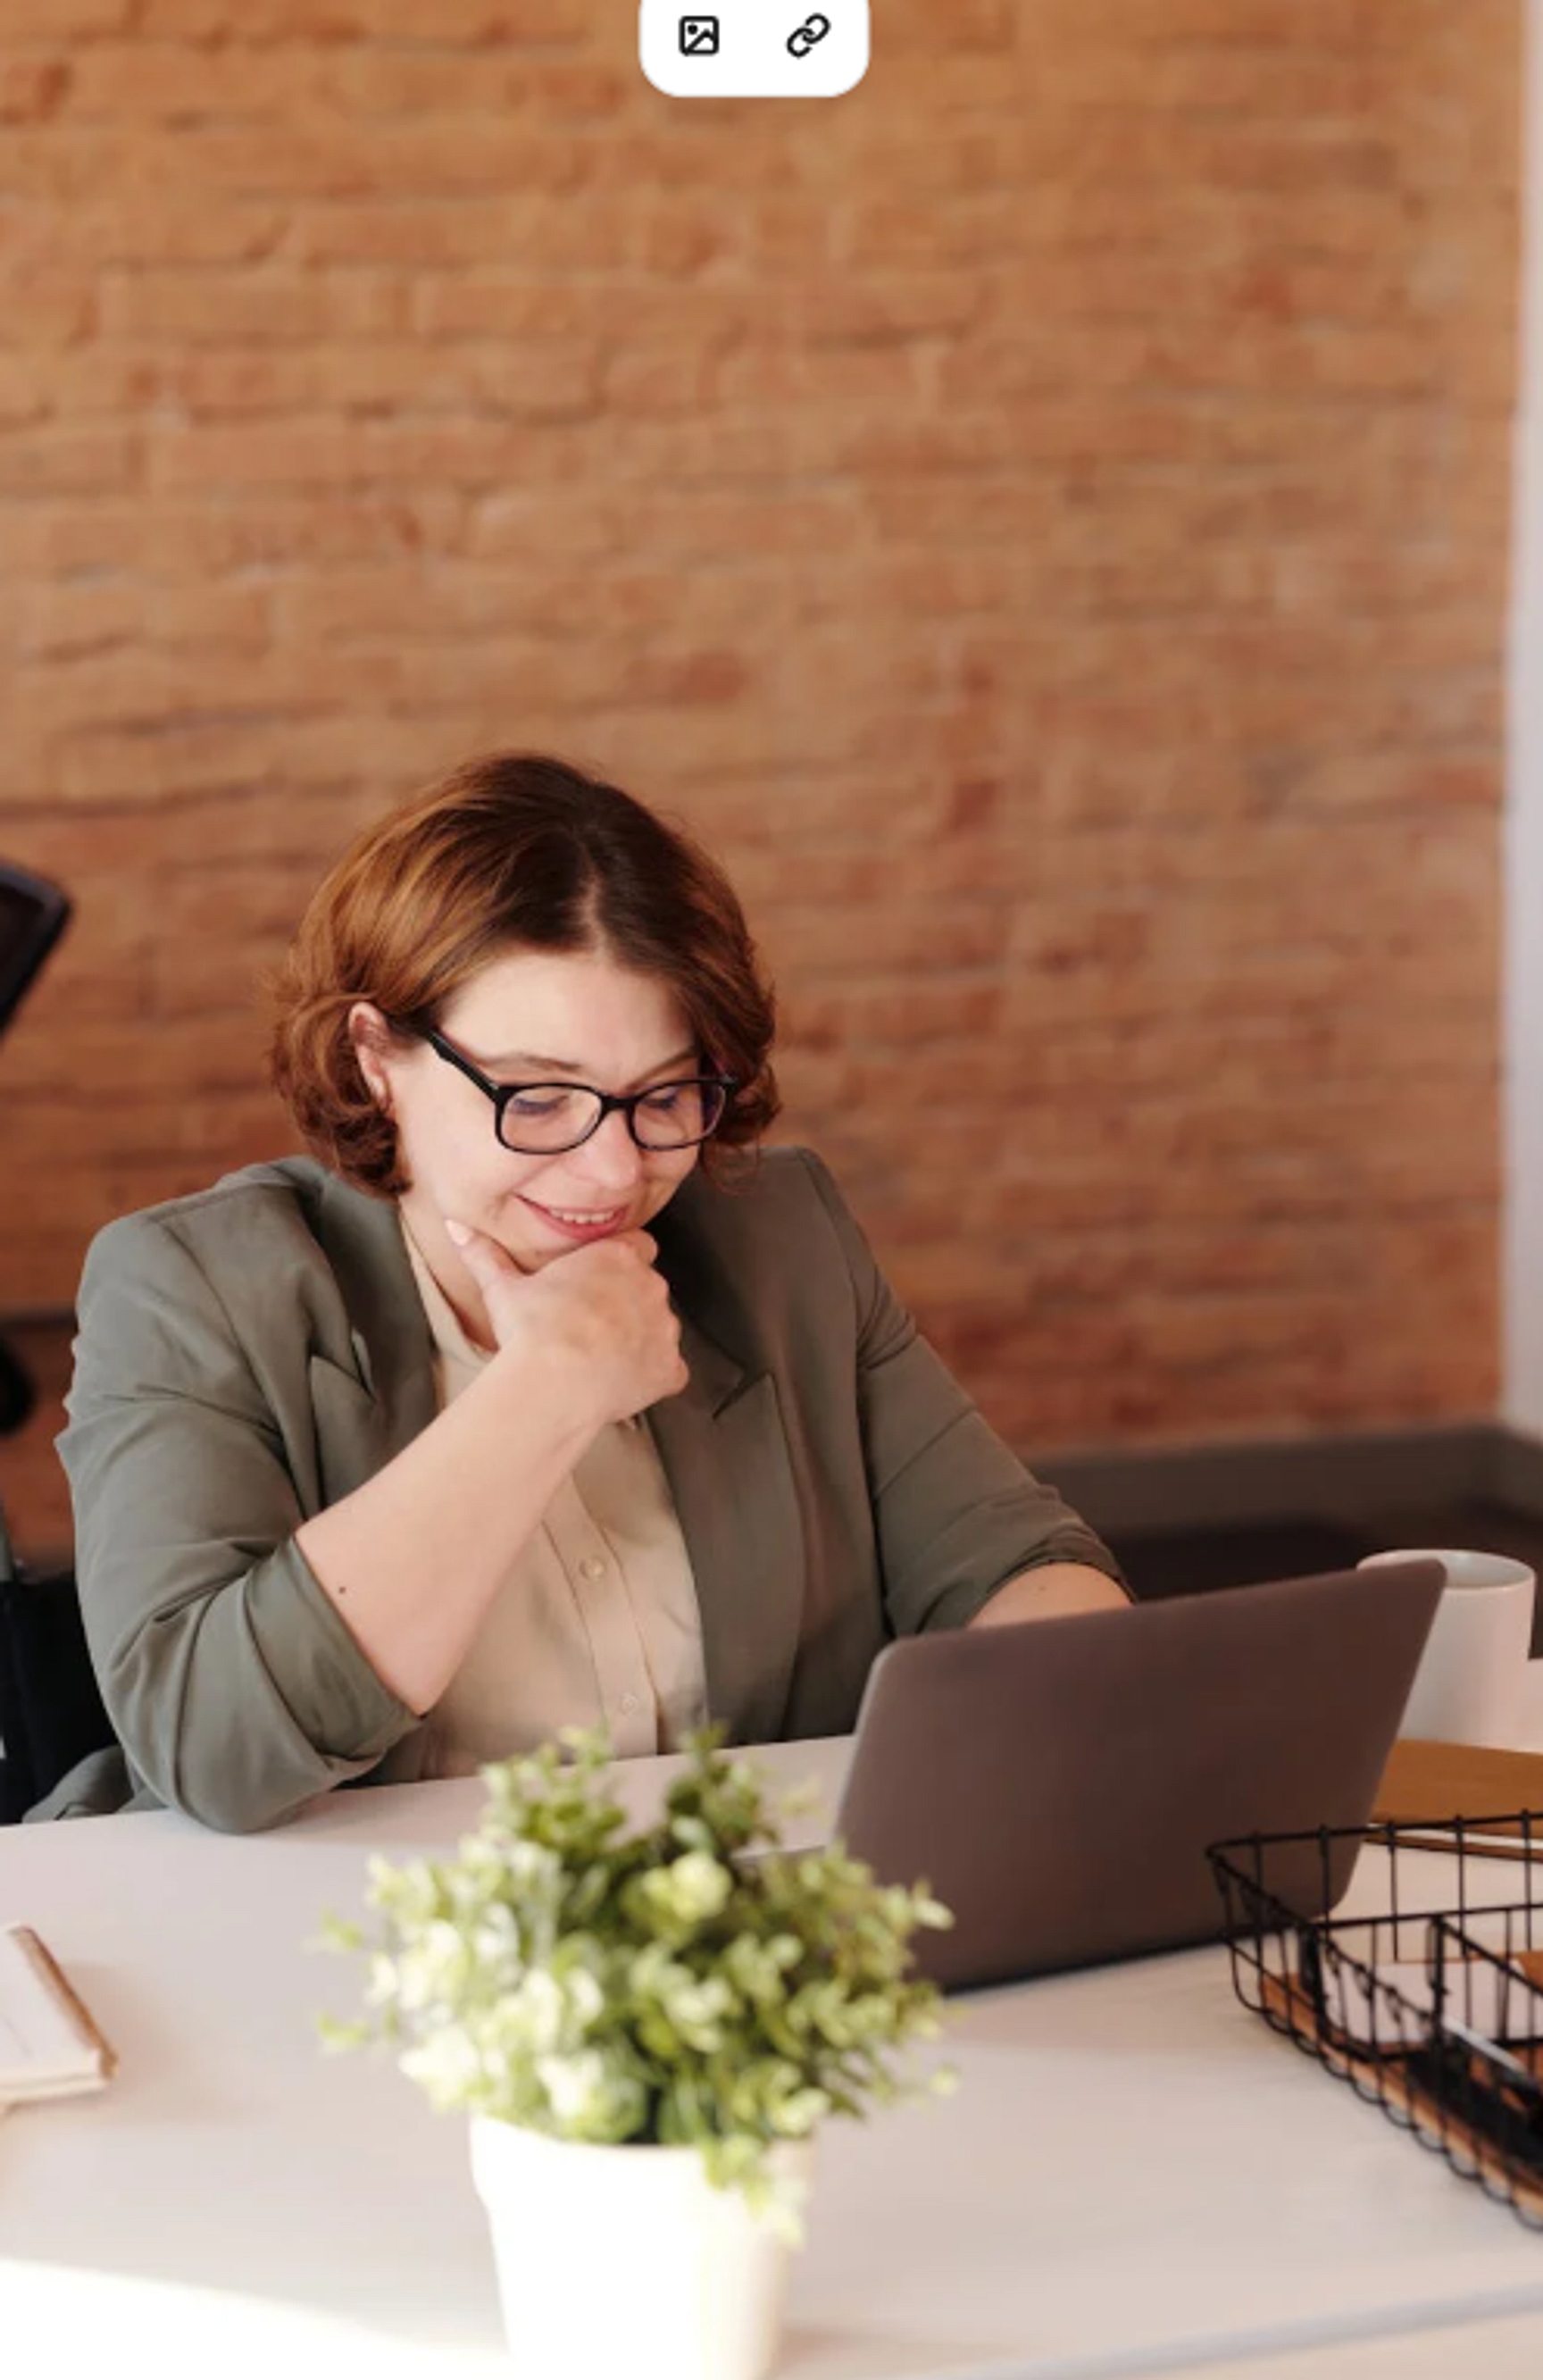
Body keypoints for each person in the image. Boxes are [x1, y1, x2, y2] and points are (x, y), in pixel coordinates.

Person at [42, 754, 1127, 1831]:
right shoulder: (188, 1289)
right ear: (376, 1055)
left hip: (734, 1938)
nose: (614, 1172)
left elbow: (1016, 1565)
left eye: (664, 1094)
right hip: (342, 1952)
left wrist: (1103, 1705)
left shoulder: (782, 1238)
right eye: (538, 1097)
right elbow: (209, 1742)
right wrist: (546, 1393)